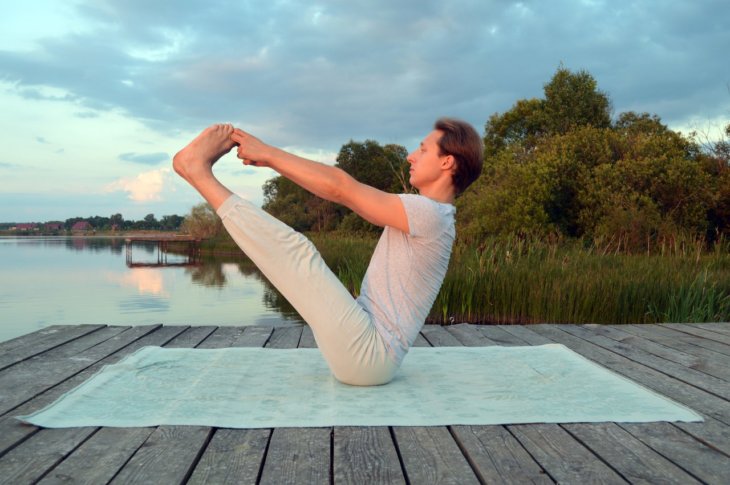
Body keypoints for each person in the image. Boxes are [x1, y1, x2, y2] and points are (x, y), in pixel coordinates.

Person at [173, 118, 483, 385]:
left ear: (448, 162)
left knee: (297, 254)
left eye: (424, 149)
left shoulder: (430, 215)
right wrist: (270, 159)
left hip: (370, 356)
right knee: (298, 254)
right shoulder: (430, 215)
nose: (411, 156)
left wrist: (268, 153)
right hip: (367, 350)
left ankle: (197, 172)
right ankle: (194, 171)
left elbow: (341, 188)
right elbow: (337, 191)